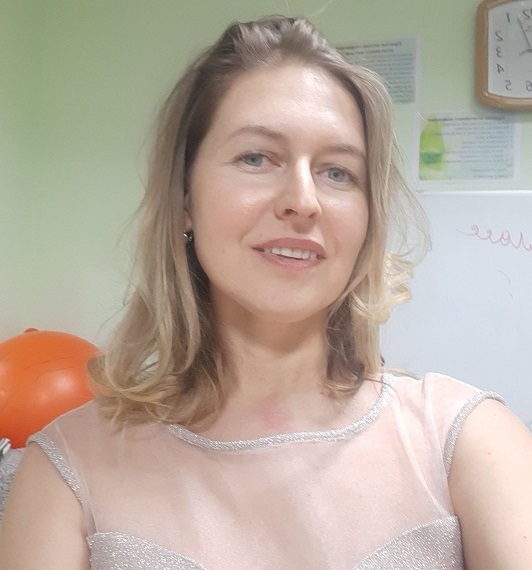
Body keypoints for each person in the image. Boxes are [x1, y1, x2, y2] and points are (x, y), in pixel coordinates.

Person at [0, 16, 530, 570]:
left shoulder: (466, 441)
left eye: (338, 172)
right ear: (185, 199)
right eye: (255, 158)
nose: (304, 200)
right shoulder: (65, 472)